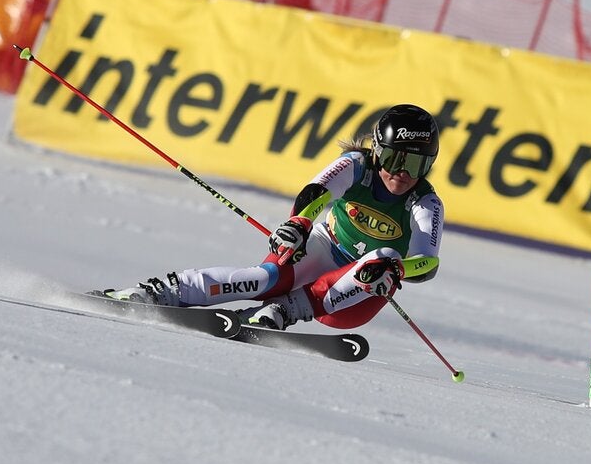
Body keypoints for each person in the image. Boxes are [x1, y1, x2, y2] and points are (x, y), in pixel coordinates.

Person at [101, 104, 445, 330]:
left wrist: (398, 270)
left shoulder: (425, 202)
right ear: (378, 151)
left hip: (353, 299)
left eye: (416, 164)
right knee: (264, 278)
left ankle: (285, 311)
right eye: (394, 159)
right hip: (325, 248)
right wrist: (299, 224)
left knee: (384, 257)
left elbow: (427, 263)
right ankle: (160, 292)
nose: (402, 173)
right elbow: (318, 191)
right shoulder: (358, 166)